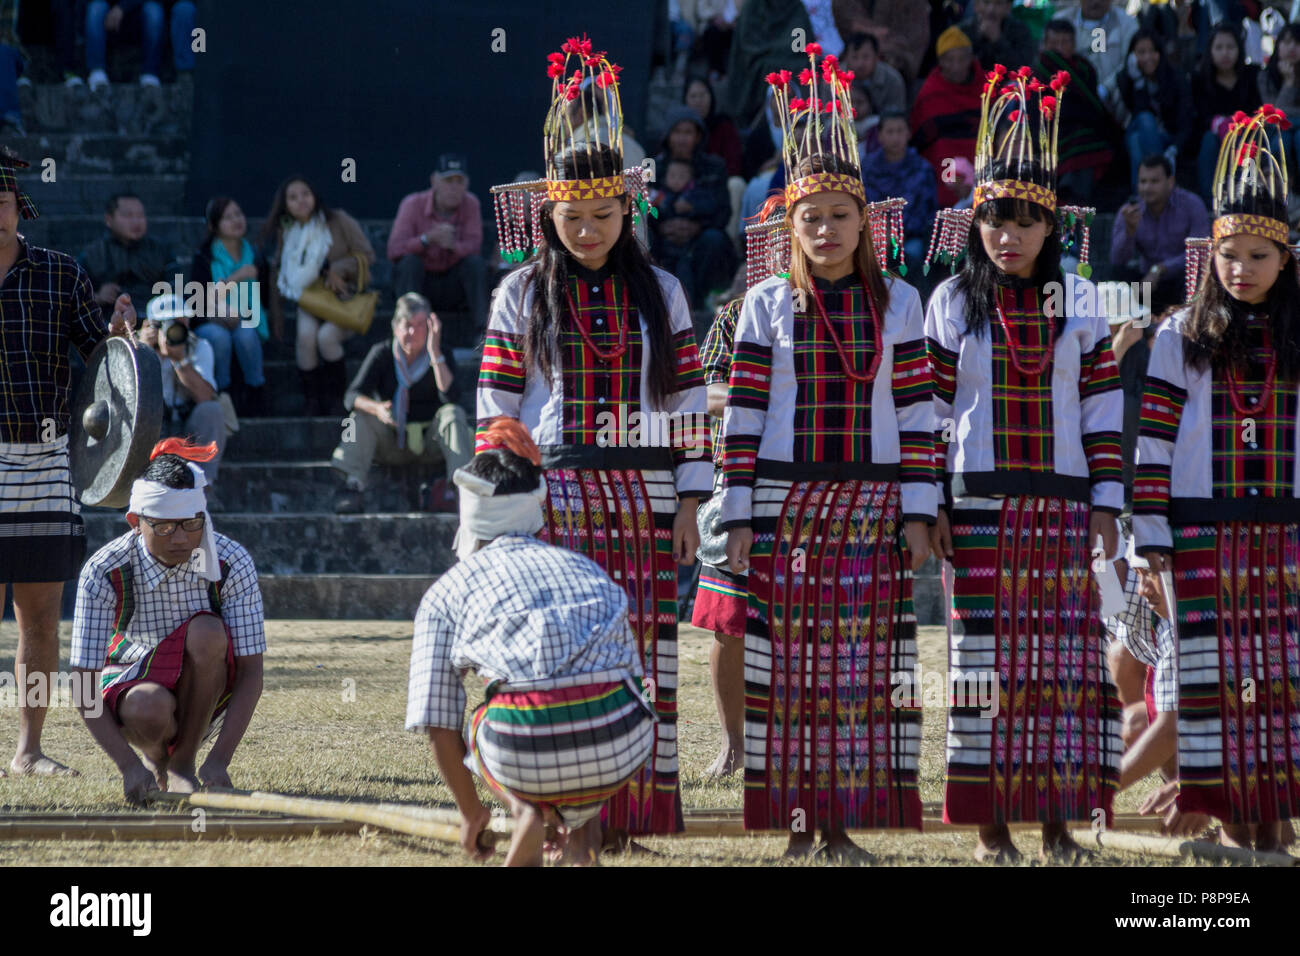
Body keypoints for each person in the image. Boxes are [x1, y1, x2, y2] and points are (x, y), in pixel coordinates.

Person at [478, 38, 710, 841]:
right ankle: (561, 816)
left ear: (628, 210)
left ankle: (634, 813)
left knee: (645, 647)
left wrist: (689, 498)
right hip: (558, 493)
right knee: (567, 648)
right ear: (547, 214)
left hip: (646, 491)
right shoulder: (520, 293)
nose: (587, 230)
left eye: (603, 216)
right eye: (571, 217)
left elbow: (688, 398)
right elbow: (497, 401)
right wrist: (502, 505)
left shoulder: (665, 291)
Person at [721, 50, 935, 860]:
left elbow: (919, 418)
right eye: (810, 218)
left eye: (840, 215)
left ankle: (842, 827)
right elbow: (740, 423)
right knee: (788, 676)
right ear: (790, 226)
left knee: (860, 676)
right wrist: (737, 515)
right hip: (784, 510)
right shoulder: (767, 306)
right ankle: (796, 830)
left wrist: (919, 513)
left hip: (873, 510)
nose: (825, 229)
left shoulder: (901, 303)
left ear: (865, 221)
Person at [926, 66, 1123, 862]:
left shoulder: (1081, 298)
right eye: (994, 221)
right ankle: (991, 824)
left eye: (1025, 222)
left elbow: (1104, 412)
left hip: (1064, 507)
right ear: (976, 222)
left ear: (1052, 225)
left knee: (1063, 667)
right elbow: (926, 416)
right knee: (982, 663)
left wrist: (1107, 503)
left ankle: (1058, 822)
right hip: (974, 509)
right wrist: (928, 502)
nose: (1007, 237)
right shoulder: (948, 301)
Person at [1134, 105, 1300, 851]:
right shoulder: (1181, 336)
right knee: (1212, 687)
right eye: (1229, 254)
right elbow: (1154, 445)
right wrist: (1149, 538)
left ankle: (1269, 828)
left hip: (1283, 534)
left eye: (1258, 256)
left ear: (1286, 259)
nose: (1241, 269)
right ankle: (1238, 829)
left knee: (1279, 685)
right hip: (1199, 533)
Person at [406, 422, 657, 866]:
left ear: (470, 516)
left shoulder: (446, 592)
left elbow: (438, 721)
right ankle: (580, 843)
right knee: (589, 693)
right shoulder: (587, 570)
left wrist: (472, 814)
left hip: (523, 748)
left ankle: (526, 810)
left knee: (493, 715)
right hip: (625, 742)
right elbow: (629, 676)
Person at [0, 148, 135, 778]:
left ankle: (28, 749)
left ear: (17, 208)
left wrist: (125, 339)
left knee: (40, 616)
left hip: (47, 459)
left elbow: (104, 360)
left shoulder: (59, 273)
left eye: (1, 202)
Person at [71, 438, 265, 803]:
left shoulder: (231, 561)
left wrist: (220, 760)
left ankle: (184, 765)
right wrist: (128, 765)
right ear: (135, 522)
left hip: (205, 682)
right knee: (149, 707)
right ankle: (156, 760)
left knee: (207, 631)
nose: (180, 539)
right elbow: (82, 684)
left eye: (191, 524)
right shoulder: (104, 570)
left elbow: (252, 669)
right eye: (163, 527)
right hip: (132, 683)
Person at [331, 292, 472, 514]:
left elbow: (452, 397)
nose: (412, 333)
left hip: (431, 441)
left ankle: (462, 490)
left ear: (430, 327)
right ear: (395, 327)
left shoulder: (441, 353)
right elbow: (352, 396)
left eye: (419, 326)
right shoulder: (382, 353)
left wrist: (435, 354)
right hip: (391, 438)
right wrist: (376, 408)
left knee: (453, 413)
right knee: (357, 418)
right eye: (406, 325)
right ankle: (351, 486)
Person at [260, 174, 375, 417]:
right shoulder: (287, 231)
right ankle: (312, 400)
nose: (300, 201)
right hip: (310, 299)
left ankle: (338, 399)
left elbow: (368, 255)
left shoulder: (339, 220)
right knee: (305, 336)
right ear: (285, 204)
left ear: (314, 196)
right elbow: (277, 272)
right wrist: (277, 317)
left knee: (326, 337)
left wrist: (339, 269)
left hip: (343, 299)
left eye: (305, 194)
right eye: (293, 197)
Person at [690, 295, 746, 779]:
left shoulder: (867, 303)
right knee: (731, 626)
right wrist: (766, 390)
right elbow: (702, 392)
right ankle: (734, 745)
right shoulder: (736, 314)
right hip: (740, 485)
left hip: (829, 479)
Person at [387, 154, 487, 352]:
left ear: (466, 184)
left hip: (454, 287)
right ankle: (407, 328)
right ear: (434, 181)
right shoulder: (412, 204)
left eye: (459, 181)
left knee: (475, 265)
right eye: (448, 180)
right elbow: (393, 250)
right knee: (408, 264)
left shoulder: (471, 204)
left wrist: (453, 245)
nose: (454, 187)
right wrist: (427, 239)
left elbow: (475, 246)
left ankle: (484, 334)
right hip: (421, 285)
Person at [138, 293, 227, 491]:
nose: (174, 328)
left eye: (179, 320)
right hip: (150, 428)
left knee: (212, 410)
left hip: (186, 427)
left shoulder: (199, 346)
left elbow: (205, 396)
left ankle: (204, 486)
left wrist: (179, 361)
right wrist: (143, 352)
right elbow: (129, 400)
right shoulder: (136, 349)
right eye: (167, 322)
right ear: (152, 325)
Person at [189, 197, 269, 417]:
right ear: (214, 226)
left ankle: (255, 391)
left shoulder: (256, 256)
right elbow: (197, 301)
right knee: (219, 336)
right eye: (227, 217)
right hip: (210, 319)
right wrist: (238, 276)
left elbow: (267, 298)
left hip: (247, 318)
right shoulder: (204, 257)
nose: (236, 220)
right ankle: (224, 392)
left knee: (246, 333)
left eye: (238, 214)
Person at [652, 105, 737, 307]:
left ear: (698, 136)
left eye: (688, 132)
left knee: (714, 239)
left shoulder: (714, 166)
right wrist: (661, 227)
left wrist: (696, 227)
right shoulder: (651, 165)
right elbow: (641, 206)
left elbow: (723, 211)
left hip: (700, 236)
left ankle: (706, 301)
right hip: (663, 235)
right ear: (667, 135)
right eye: (677, 132)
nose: (682, 138)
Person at [1109, 154, 1209, 316]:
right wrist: (1129, 232)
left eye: (1154, 181)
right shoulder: (1130, 211)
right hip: (1147, 284)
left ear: (1170, 182)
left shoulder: (1192, 205)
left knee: (1198, 278)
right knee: (1116, 278)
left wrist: (1161, 269)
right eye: (1143, 182)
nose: (1147, 188)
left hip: (1180, 280)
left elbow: (1200, 253)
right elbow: (1117, 261)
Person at [1035, 18, 1117, 204]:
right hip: (1054, 129)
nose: (1058, 49)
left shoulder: (1085, 69)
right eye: (1053, 43)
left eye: (1064, 43)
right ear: (1045, 45)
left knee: (1088, 140)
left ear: (1073, 45)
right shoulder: (1039, 71)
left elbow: (1091, 102)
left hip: (1085, 126)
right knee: (1080, 140)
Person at [911, 26, 983, 208]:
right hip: (941, 171)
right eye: (950, 60)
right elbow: (922, 142)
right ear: (940, 62)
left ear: (971, 59)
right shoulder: (931, 94)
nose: (956, 66)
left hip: (981, 171)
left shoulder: (985, 89)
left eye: (962, 59)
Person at [78, 193, 177, 323]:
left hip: (155, 323)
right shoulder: (93, 254)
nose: (136, 221)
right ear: (109, 219)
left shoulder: (161, 251)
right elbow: (75, 298)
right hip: (110, 325)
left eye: (140, 215)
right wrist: (98, 297)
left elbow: (176, 290)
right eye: (128, 215)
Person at [1116, 29, 1194, 193]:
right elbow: (1137, 111)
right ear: (1132, 55)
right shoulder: (1125, 78)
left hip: (1168, 137)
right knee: (1145, 119)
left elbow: (1185, 120)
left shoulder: (1175, 77)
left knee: (1136, 141)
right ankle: (1163, 183)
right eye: (1141, 52)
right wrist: (1137, 81)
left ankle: (1140, 198)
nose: (1147, 58)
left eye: (1152, 51)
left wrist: (1174, 148)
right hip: (1138, 126)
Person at [861, 111, 937, 273]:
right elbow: (866, 205)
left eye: (900, 131)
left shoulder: (922, 168)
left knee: (914, 254)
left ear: (909, 133)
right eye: (890, 132)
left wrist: (897, 233)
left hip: (910, 237)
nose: (895, 137)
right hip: (876, 236)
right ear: (880, 135)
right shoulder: (867, 167)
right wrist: (883, 232)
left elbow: (927, 212)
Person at [1193, 23, 1261, 203]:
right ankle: (1211, 200)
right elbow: (1198, 118)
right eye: (1219, 47)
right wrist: (1220, 125)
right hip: (1213, 139)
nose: (1225, 53)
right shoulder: (1199, 80)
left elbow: (1259, 111)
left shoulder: (1252, 75)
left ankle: (1247, 196)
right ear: (1210, 51)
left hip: (1247, 136)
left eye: (1230, 47)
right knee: (1208, 140)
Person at [831, 0, 930, 89]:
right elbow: (845, 15)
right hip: (851, 71)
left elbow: (914, 39)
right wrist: (870, 31)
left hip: (897, 71)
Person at [1058, 0, 1138, 98]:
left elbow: (1130, 63)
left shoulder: (1128, 25)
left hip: (1115, 101)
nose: (1095, 2)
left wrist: (1105, 89)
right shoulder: (1061, 21)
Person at [1257, 22, 1300, 167]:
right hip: (1275, 131)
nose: (1292, 47)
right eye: (1287, 42)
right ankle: (1282, 187)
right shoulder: (1265, 76)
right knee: (1282, 140)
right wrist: (1289, 82)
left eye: (1297, 42)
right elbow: (1273, 116)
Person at [683, 76, 743, 177]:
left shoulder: (724, 126)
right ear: (685, 100)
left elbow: (734, 165)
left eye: (702, 95)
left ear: (711, 97)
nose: (698, 101)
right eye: (693, 96)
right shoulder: (679, 128)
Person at [959, 0, 1035, 71]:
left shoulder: (1020, 31)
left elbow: (1023, 67)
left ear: (1008, 7)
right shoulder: (962, 31)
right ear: (976, 4)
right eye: (986, 2)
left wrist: (997, 40)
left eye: (998, 3)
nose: (991, 10)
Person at [842, 31, 905, 116]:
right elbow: (827, 119)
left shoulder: (892, 79)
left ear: (876, 57)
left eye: (866, 57)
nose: (860, 63)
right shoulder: (833, 79)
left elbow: (896, 116)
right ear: (846, 58)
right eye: (854, 57)